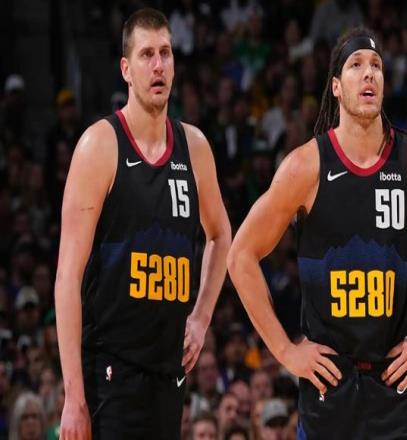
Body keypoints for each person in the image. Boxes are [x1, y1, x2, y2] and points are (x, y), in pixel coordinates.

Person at [227, 27, 407, 439]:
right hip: (328, 388)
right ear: (336, 87)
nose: (369, 73)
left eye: (376, 65)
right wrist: (286, 351)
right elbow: (240, 256)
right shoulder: (306, 166)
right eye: (356, 65)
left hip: (391, 388)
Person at [55, 8, 231, 440]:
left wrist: (201, 317)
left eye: (166, 53)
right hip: (110, 371)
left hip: (168, 372)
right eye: (147, 54)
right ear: (125, 69)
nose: (158, 65)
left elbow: (220, 234)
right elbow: (67, 277)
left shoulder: (194, 147)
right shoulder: (99, 145)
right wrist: (73, 396)